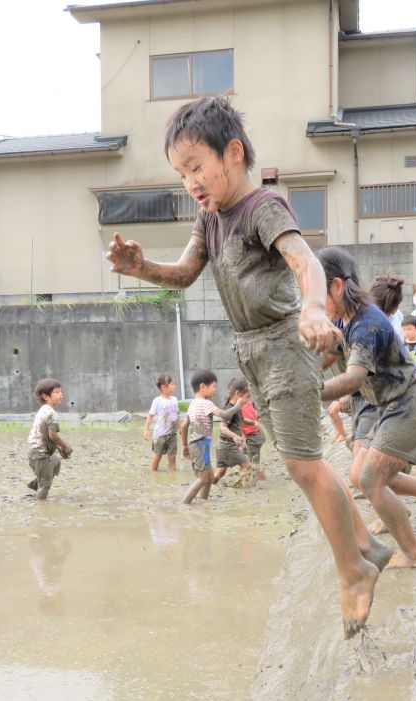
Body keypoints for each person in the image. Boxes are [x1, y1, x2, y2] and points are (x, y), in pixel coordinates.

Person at [106, 96, 387, 637]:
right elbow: (187, 272)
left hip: (284, 345)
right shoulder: (209, 217)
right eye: (181, 173)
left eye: (195, 167)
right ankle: (367, 544)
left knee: (304, 465)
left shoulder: (263, 208)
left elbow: (304, 260)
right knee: (300, 458)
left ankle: (354, 572)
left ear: (232, 153)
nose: (190, 181)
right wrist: (141, 267)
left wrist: (311, 307)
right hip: (251, 351)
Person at [319, 247, 416, 569]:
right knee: (367, 475)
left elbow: (353, 380)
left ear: (337, 286)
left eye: (314, 292)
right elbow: (328, 359)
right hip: (391, 407)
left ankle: (414, 555)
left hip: (409, 406)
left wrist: (308, 390)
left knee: (371, 479)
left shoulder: (366, 324)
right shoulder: (346, 321)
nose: (311, 302)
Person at [179, 369, 244, 504]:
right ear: (203, 387)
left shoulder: (193, 404)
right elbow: (225, 415)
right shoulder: (206, 403)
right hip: (201, 444)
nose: (215, 390)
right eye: (214, 386)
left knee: (208, 477)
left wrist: (184, 446)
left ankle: (203, 501)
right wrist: (238, 405)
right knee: (202, 478)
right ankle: (184, 504)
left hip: (197, 444)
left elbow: (184, 427)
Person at [27, 378, 72, 501]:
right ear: (45, 396)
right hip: (39, 454)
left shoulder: (44, 409)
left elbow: (45, 435)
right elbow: (53, 435)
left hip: (35, 452)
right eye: (57, 392)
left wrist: (57, 447)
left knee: (55, 461)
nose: (61, 394)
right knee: (45, 485)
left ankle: (37, 482)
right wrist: (65, 447)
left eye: (61, 391)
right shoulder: (51, 414)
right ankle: (41, 504)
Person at [213, 377, 252, 483]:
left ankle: (205, 483)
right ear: (238, 393)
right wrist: (234, 436)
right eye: (247, 397)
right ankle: (239, 488)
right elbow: (223, 427)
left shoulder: (236, 408)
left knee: (220, 473)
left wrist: (252, 422)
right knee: (247, 466)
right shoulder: (230, 410)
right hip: (227, 446)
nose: (248, 400)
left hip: (222, 446)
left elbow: (241, 420)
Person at [144, 373, 180, 472]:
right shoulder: (157, 401)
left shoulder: (175, 400)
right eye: (172, 384)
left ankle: (172, 475)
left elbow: (177, 415)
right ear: (164, 387)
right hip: (160, 435)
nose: (174, 386)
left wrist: (180, 428)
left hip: (172, 434)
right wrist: (146, 430)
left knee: (172, 457)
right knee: (157, 456)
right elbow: (150, 416)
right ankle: (153, 472)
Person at [238, 381, 267, 480]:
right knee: (243, 451)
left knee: (253, 462)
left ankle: (259, 479)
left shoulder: (240, 407)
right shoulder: (248, 402)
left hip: (254, 437)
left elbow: (243, 421)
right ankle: (252, 475)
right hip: (258, 434)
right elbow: (256, 418)